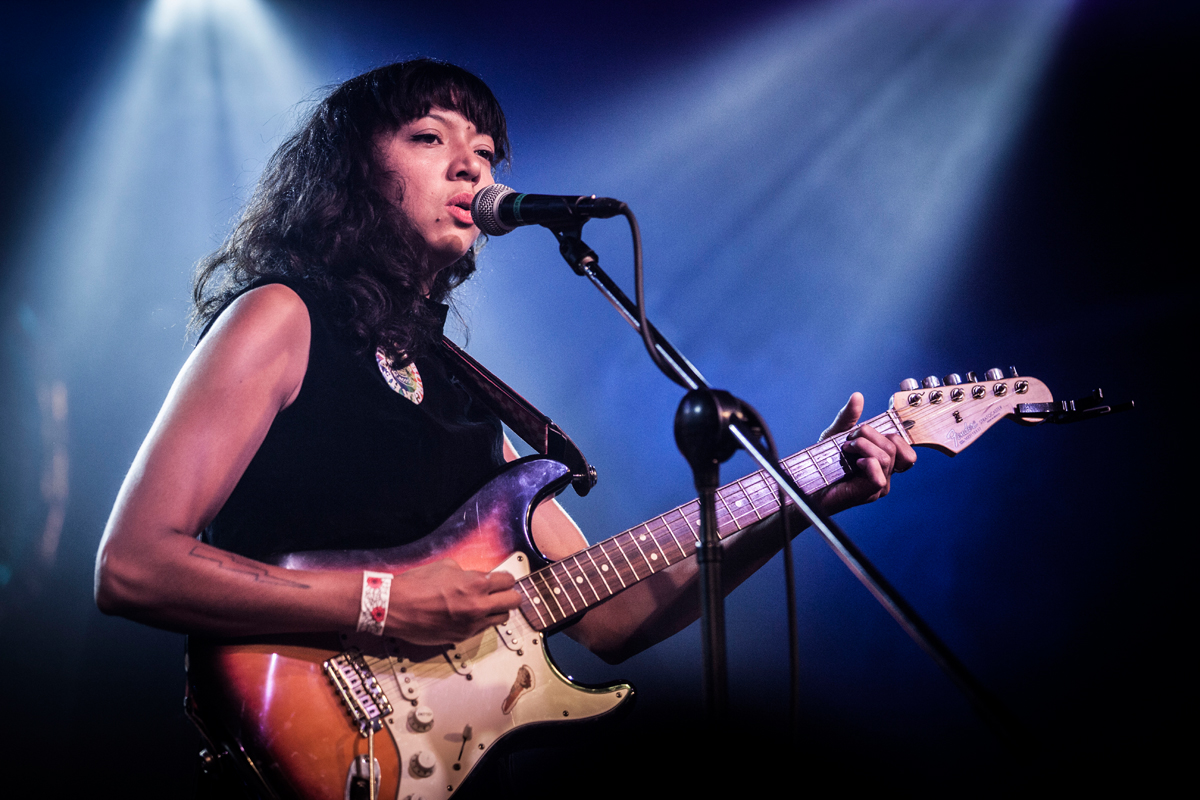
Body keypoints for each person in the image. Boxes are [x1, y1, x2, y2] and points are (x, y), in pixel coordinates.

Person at [94, 59, 915, 794]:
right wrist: (382, 604)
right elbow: (132, 566)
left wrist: (807, 498)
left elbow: (610, 619)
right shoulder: (280, 317)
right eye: (429, 137)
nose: (470, 166)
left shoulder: (464, 389)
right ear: (350, 173)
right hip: (304, 734)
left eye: (485, 152)